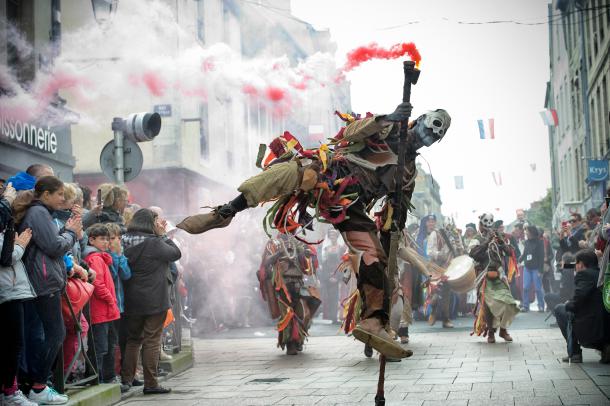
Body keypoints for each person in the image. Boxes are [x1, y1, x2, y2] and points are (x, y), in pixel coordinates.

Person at [177, 103, 451, 359]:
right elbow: (353, 130)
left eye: (433, 136)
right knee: (296, 171)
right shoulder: (388, 128)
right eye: (427, 128)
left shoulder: (408, 173)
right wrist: (389, 118)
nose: (425, 136)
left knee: (374, 257)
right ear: (418, 122)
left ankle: (373, 322)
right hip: (332, 173)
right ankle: (226, 211)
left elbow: (397, 213)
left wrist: (391, 238)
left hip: (352, 208)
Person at [14, 176, 83, 405]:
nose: (63, 198)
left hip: (41, 282)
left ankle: (37, 385)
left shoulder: (41, 213)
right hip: (42, 283)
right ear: (46, 195)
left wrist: (66, 229)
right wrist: (71, 232)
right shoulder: (39, 213)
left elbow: (50, 242)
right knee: (55, 334)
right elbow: (54, 247)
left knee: (48, 334)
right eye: (60, 194)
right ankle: (38, 386)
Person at [121, 209, 181, 394]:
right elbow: (175, 254)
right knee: (152, 340)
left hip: (132, 297)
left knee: (133, 340)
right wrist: (163, 237)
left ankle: (127, 379)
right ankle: (151, 383)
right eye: (156, 221)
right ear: (150, 223)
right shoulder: (154, 243)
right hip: (155, 298)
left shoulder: (123, 240)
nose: (159, 224)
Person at [258, 234, 320, 355]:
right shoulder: (273, 243)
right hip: (282, 284)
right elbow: (266, 263)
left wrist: (307, 255)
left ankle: (299, 340)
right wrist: (279, 253)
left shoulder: (299, 242)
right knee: (287, 314)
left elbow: (311, 264)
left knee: (304, 313)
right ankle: (290, 343)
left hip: (298, 283)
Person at [82, 224, 123, 390]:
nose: (106, 242)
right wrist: (110, 298)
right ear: (91, 240)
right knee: (99, 346)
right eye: (102, 239)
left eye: (107, 239)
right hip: (101, 309)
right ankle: (96, 378)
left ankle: (107, 377)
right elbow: (97, 283)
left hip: (107, 310)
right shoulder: (95, 258)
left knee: (108, 344)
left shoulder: (102, 257)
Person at [468, 213, 519, 344]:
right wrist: (486, 241)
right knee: (488, 305)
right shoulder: (476, 239)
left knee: (508, 302)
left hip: (499, 276)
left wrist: (501, 242)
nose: (487, 229)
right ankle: (491, 332)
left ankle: (503, 330)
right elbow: (473, 254)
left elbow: (510, 253)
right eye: (485, 226)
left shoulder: (499, 237)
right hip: (483, 277)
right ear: (480, 225)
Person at [0, 224, 36, 406]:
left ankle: (10, 390)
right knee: (13, 345)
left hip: (13, 292)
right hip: (7, 293)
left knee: (13, 345)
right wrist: (20, 244)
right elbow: (6, 257)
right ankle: (9, 392)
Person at [554, 249, 610, 363]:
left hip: (593, 326)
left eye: (576, 263)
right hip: (604, 324)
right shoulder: (600, 273)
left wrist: (568, 304)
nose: (575, 266)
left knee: (560, 309)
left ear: (581, 264)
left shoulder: (584, 275)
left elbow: (578, 300)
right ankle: (605, 347)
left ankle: (575, 353)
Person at [104, 223, 131, 387]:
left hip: (121, 304)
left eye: (119, 238)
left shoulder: (120, 255)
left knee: (123, 340)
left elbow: (127, 275)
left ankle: (125, 373)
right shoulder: (106, 256)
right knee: (110, 342)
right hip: (110, 305)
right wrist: (115, 256)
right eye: (112, 238)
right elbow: (113, 275)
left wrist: (120, 256)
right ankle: (110, 374)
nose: (116, 241)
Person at [415, 214, 454, 328]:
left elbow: (451, 250)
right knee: (434, 292)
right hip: (432, 267)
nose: (431, 223)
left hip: (446, 267)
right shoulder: (432, 234)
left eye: (433, 221)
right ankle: (433, 311)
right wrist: (440, 255)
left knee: (446, 292)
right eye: (429, 221)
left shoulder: (444, 234)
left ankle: (446, 319)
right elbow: (429, 252)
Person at [319, 230, 344, 324]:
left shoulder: (340, 248)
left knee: (337, 296)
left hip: (338, 274)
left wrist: (338, 277)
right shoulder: (326, 248)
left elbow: (342, 262)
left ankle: (337, 316)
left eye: (334, 235)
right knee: (329, 296)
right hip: (328, 274)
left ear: (337, 236)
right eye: (331, 235)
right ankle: (331, 316)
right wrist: (328, 276)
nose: (332, 236)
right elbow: (324, 263)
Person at [520, 225, 546, 313]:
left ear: (531, 232)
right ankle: (525, 306)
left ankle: (541, 306)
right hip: (527, 268)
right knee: (525, 287)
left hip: (536, 269)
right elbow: (525, 254)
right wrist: (519, 261)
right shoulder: (527, 242)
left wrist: (540, 270)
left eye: (527, 231)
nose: (525, 232)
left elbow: (541, 257)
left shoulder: (540, 242)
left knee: (538, 288)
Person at [545, 253, 575, 325]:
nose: (561, 262)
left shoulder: (566, 271)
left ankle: (559, 317)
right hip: (570, 294)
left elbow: (564, 287)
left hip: (566, 296)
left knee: (547, 296)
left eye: (562, 260)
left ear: (564, 261)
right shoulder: (571, 268)